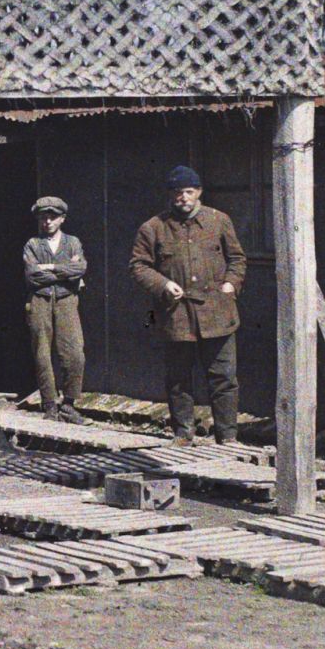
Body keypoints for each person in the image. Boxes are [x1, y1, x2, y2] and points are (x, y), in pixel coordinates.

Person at [129, 165, 247, 445]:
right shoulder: (153, 228)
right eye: (178, 192)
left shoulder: (219, 221)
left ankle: (227, 437)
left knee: (224, 378)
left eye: (189, 191)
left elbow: (238, 259)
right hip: (176, 315)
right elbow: (139, 266)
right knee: (179, 378)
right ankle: (183, 433)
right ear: (171, 195)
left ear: (199, 193)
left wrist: (231, 284)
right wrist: (162, 285)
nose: (183, 197)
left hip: (218, 312)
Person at [23, 195, 88, 423]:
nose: (48, 222)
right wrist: (65, 272)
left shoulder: (72, 242)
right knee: (42, 353)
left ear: (62, 219)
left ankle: (69, 404)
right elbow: (32, 275)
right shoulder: (32, 244)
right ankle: (50, 405)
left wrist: (50, 267)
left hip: (67, 301)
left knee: (74, 353)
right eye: (43, 217)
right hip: (40, 301)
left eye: (52, 217)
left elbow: (79, 268)